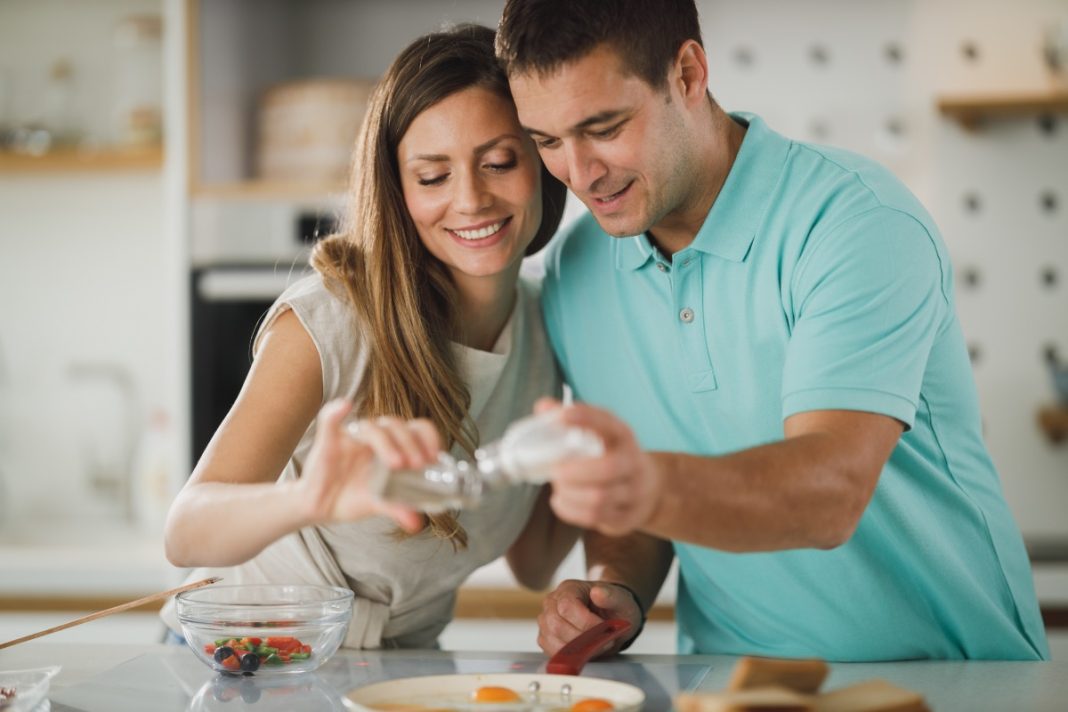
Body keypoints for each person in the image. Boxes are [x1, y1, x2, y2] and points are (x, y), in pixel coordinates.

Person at [496, 0, 1049, 661]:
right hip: (733, 685)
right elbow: (645, 507)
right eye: (548, 142)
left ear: (689, 73)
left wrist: (643, 485)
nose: (580, 174)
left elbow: (829, 493)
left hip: (953, 680)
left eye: (605, 127)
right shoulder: (574, 271)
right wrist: (619, 590)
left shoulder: (855, 223)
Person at [160, 23, 573, 649]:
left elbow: (535, 563)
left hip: (395, 669)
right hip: (245, 653)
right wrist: (309, 500)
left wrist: (610, 445)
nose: (471, 199)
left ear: (544, 162)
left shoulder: (552, 329)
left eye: (498, 162)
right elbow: (185, 532)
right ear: (397, 190)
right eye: (433, 177)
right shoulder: (330, 322)